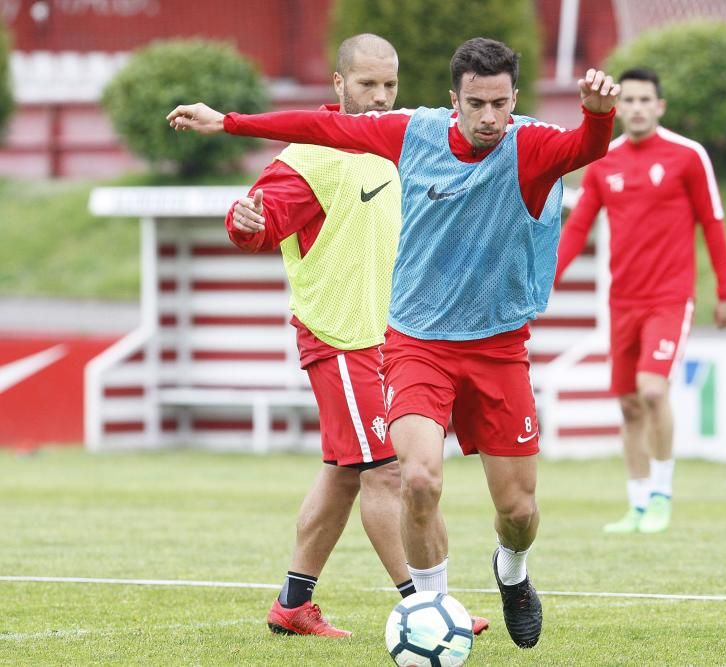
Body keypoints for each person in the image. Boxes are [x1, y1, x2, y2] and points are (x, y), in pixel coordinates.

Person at [167, 37, 620, 649]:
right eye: (366, 86)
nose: (489, 117)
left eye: (500, 104)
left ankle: (310, 599)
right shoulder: (368, 143)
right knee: (404, 476)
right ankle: (430, 612)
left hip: (486, 343)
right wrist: (229, 127)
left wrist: (597, 114)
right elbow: (287, 174)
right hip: (380, 338)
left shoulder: (488, 142)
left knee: (490, 506)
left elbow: (584, 148)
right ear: (451, 100)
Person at [224, 33, 485, 638]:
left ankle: (293, 604)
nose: (380, 97)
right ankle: (427, 607)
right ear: (338, 84)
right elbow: (259, 224)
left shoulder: (402, 144)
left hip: (393, 339)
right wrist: (245, 225)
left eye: (389, 85)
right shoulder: (308, 156)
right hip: (341, 337)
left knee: (347, 472)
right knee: (387, 472)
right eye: (367, 85)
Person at [554, 67, 726, 535]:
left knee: (653, 391)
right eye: (627, 100)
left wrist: (725, 291)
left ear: (659, 106)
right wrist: (548, 276)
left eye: (643, 100)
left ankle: (661, 496)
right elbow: (579, 226)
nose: (634, 108)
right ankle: (636, 505)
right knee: (629, 405)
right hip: (623, 302)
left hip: (669, 299)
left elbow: (712, 223)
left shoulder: (687, 156)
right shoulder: (605, 163)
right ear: (618, 108)